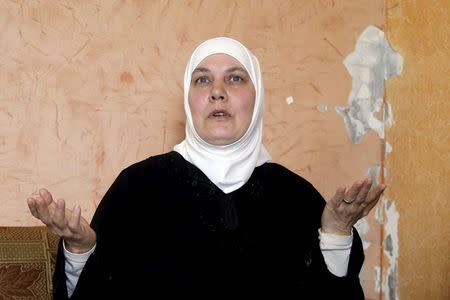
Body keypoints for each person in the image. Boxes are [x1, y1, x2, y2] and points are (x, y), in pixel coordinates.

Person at [27, 37, 385, 299]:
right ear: (189, 97)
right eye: (202, 79)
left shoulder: (295, 196)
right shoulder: (137, 188)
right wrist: (81, 251)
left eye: (234, 78)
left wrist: (336, 232)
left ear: (256, 96)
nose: (217, 92)